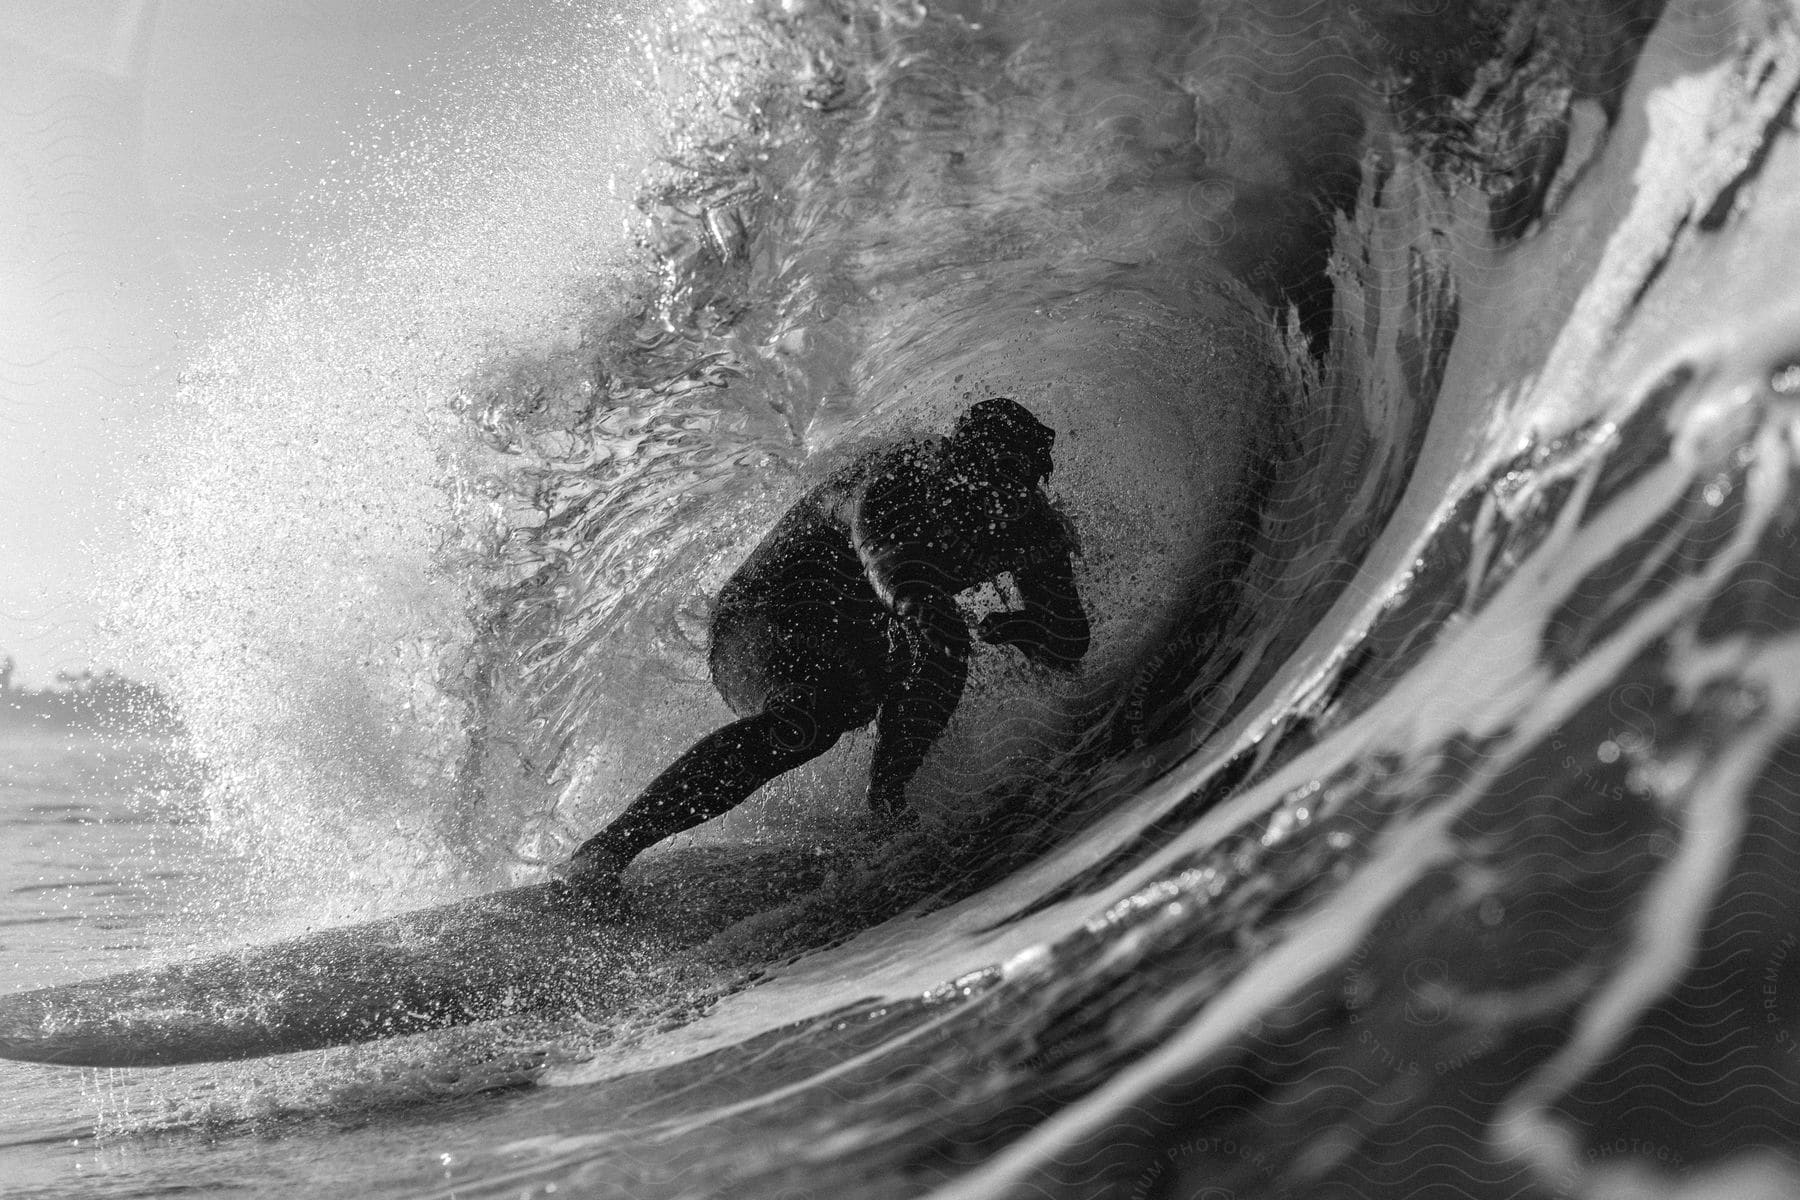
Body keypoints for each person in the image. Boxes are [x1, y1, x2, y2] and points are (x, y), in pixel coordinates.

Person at [559, 397, 1089, 896]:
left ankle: (885, 801)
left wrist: (1023, 628)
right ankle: (607, 849)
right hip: (763, 618)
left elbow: (1068, 643)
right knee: (813, 717)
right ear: (949, 456)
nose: (978, 498)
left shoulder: (1028, 524)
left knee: (938, 640)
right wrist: (930, 610)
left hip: (859, 634)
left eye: (1005, 486)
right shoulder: (896, 479)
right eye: (969, 477)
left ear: (1026, 483)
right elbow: (895, 575)